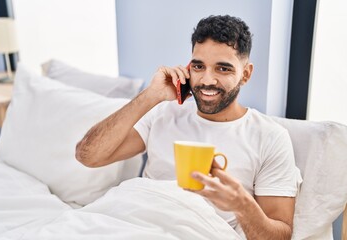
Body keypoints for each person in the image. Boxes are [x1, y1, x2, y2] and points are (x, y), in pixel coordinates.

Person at [75, 14, 301, 239]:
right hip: (131, 222)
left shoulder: (270, 137)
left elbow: (279, 235)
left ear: (246, 74)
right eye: (198, 66)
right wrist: (150, 96)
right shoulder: (164, 112)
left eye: (223, 69)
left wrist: (242, 205)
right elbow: (88, 156)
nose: (207, 80)